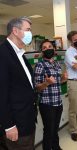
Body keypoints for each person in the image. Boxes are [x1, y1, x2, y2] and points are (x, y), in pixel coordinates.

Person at [0, 17, 37, 150]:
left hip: (26, 119)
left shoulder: (20, 54)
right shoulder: (3, 54)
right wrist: (9, 125)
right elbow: (1, 94)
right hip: (15, 124)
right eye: (28, 30)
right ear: (15, 31)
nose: (30, 33)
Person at [34, 39, 67, 150]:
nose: (48, 49)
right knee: (49, 130)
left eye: (49, 46)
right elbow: (37, 88)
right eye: (44, 48)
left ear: (54, 48)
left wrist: (63, 78)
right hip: (47, 104)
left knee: (55, 129)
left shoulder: (56, 64)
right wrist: (47, 83)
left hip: (58, 102)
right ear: (42, 52)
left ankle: (56, 146)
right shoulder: (40, 65)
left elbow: (58, 82)